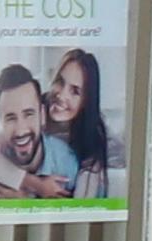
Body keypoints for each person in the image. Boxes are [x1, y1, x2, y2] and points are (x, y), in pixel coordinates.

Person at [0, 65, 86, 200]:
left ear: (42, 115)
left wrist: (24, 201)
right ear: (1, 122)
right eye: (10, 118)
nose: (20, 130)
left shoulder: (67, 164)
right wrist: (36, 185)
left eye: (29, 114)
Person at [50, 46, 122, 193]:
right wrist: (33, 183)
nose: (62, 95)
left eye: (75, 91)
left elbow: (84, 200)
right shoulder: (33, 108)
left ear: (85, 101)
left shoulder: (94, 136)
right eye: (60, 82)